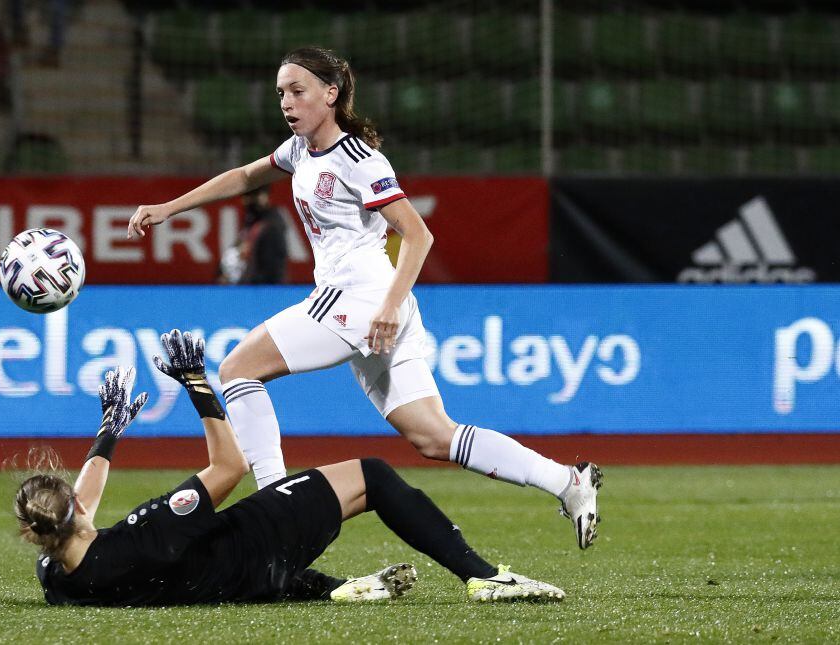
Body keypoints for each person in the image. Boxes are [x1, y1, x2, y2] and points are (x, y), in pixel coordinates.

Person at [127, 47, 604, 549]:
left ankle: (276, 507)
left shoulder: (359, 159)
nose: (286, 103)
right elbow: (246, 177)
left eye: (297, 91)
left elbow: (418, 235)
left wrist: (390, 305)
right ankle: (567, 482)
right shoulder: (298, 150)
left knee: (238, 370)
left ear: (330, 94)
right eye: (281, 94)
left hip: (362, 298)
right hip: (368, 302)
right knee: (433, 437)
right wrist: (169, 207)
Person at [15, 330, 567, 607]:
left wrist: (109, 431)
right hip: (257, 544)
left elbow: (78, 508)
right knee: (372, 475)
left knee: (251, 557)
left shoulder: (57, 578)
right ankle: (484, 577)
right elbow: (227, 466)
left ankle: (335, 590)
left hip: (237, 585)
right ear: (75, 515)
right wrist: (198, 384)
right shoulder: (149, 532)